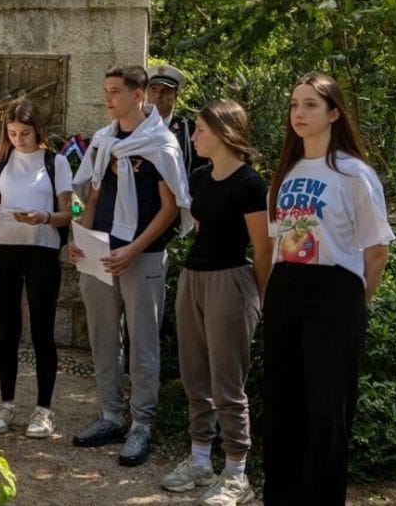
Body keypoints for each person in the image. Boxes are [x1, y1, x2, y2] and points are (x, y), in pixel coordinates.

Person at [264, 72, 394, 505]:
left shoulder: (354, 174)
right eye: (294, 104)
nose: (298, 113)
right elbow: (277, 240)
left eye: (310, 105)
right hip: (285, 288)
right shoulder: (287, 171)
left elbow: (377, 250)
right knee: (282, 403)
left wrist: (353, 305)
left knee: (326, 409)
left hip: (334, 293)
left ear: (334, 113)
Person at [69, 65, 190, 466]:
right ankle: (110, 415)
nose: (108, 98)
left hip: (142, 255)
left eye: (116, 91)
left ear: (139, 95)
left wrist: (134, 249)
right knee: (103, 336)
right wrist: (79, 236)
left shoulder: (160, 143)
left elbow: (170, 208)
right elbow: (90, 196)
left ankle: (142, 423)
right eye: (105, 90)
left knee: (142, 340)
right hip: (101, 251)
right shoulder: (103, 140)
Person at [160, 101, 270, 505]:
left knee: (227, 382)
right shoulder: (200, 177)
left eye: (201, 130)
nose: (193, 137)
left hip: (231, 281)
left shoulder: (251, 185)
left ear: (224, 133)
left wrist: (259, 297)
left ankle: (237, 473)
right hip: (193, 277)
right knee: (194, 376)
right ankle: (200, 459)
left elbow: (263, 249)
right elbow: (202, 228)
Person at [0, 97, 72, 439]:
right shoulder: (0, 161)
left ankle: (44, 409)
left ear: (38, 130)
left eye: (25, 133)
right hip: (5, 248)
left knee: (42, 329)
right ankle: (6, 403)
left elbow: (69, 213)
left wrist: (44, 217)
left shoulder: (56, 162)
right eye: (13, 133)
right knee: (7, 330)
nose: (19, 140)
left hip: (41, 249)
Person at [147, 65, 207, 176]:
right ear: (147, 94)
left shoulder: (189, 129)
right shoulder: (135, 125)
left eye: (165, 91)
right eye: (154, 90)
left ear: (176, 96)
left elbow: (200, 168)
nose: (158, 95)